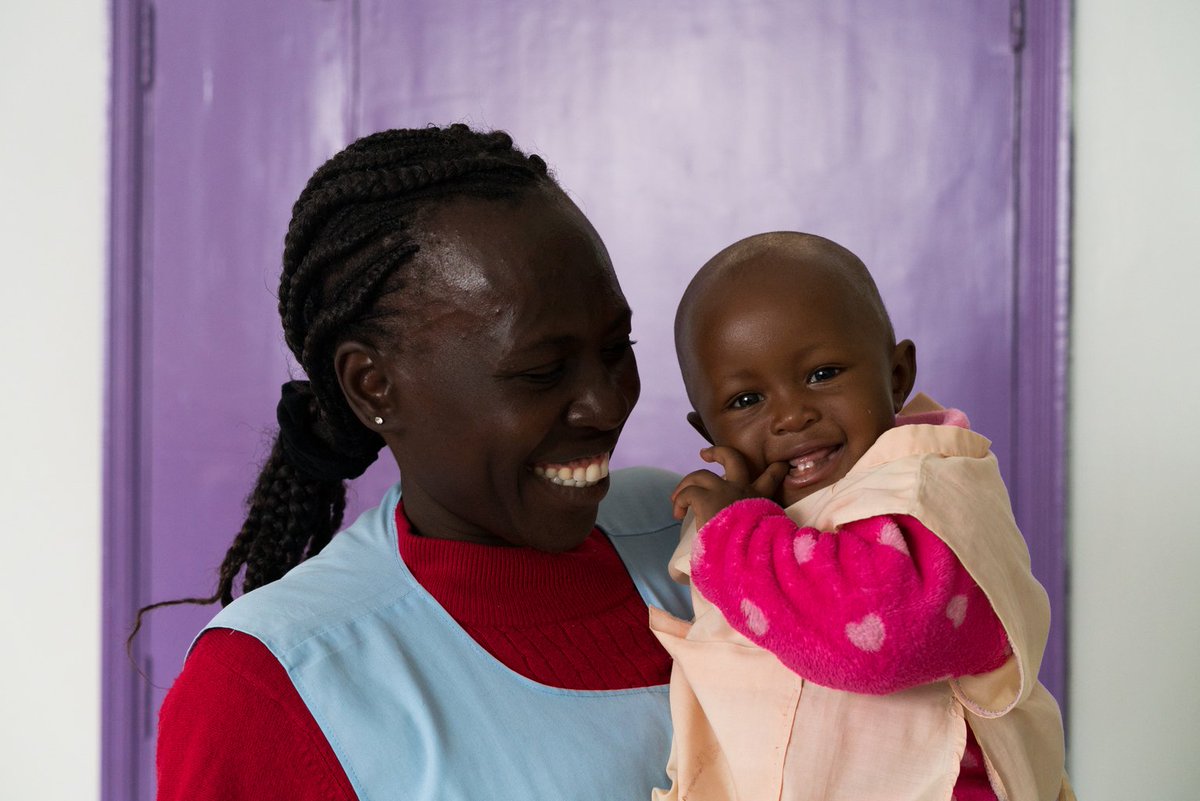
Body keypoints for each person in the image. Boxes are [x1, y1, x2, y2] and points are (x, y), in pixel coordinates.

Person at [151, 124, 692, 801]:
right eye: (542, 371)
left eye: (616, 348)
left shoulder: (692, 535)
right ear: (374, 385)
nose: (606, 403)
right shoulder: (274, 683)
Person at [650, 232, 1073, 801]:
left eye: (822, 374)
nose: (792, 416)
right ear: (708, 432)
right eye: (746, 401)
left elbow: (879, 637)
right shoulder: (747, 516)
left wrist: (739, 540)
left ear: (896, 377)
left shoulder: (931, 492)